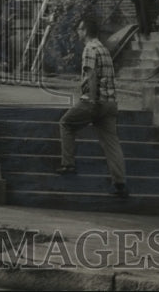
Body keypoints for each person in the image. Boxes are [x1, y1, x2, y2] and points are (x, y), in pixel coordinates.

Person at [56, 14, 128, 199]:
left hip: (95, 100)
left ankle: (68, 164)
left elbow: (92, 76)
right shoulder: (103, 49)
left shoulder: (89, 48)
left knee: (66, 123)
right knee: (112, 143)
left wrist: (93, 101)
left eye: (79, 29)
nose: (78, 32)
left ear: (85, 31)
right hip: (111, 103)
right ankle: (120, 183)